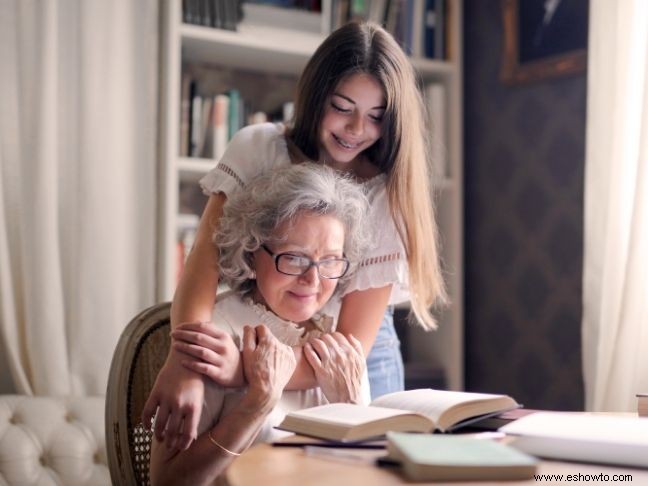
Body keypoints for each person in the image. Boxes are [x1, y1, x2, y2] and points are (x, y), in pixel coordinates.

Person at [143, 20, 447, 451]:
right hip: (259, 330)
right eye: (342, 107)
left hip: (352, 354)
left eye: (376, 116)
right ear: (316, 96)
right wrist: (185, 363)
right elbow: (202, 269)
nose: (357, 129)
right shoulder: (259, 148)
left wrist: (241, 371)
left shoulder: (385, 193)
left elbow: (351, 346)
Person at [149, 164, 371, 485]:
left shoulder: (340, 346)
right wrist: (255, 407)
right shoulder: (215, 335)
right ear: (252, 253)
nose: (313, 279)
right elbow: (166, 481)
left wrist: (350, 408)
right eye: (294, 257)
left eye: (330, 261)